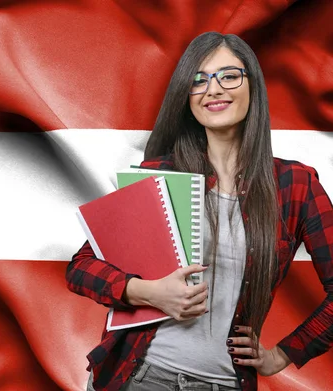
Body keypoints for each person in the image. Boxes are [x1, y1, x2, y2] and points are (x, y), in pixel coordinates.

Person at [66, 31, 333, 391]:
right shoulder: (160, 176)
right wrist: (147, 292)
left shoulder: (295, 185)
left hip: (223, 384)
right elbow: (81, 268)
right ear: (187, 97)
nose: (214, 89)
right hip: (140, 376)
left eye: (229, 76)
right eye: (199, 80)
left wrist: (283, 355)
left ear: (253, 86)